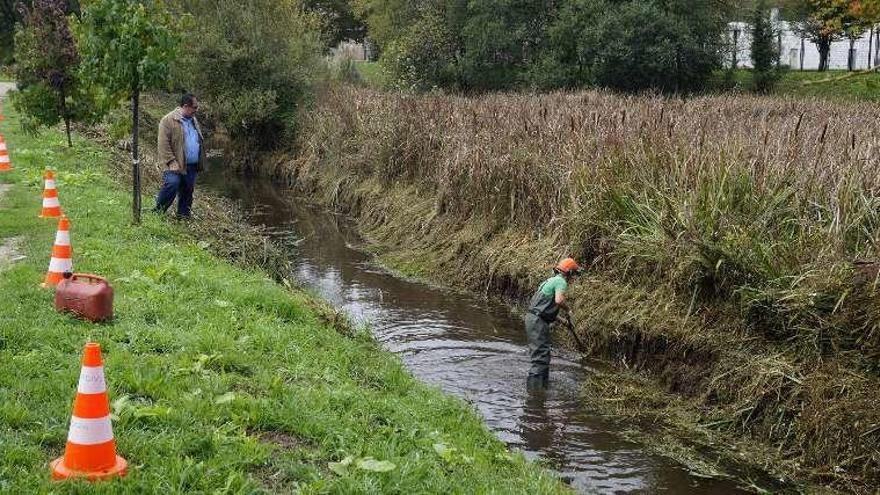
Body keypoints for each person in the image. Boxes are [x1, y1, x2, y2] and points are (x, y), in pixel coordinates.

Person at [525, 257, 581, 390]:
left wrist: (564, 322)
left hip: (534, 319)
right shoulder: (561, 281)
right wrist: (569, 310)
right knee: (540, 358)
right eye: (574, 275)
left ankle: (542, 388)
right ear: (570, 273)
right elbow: (559, 300)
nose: (573, 279)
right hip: (538, 322)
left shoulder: (549, 281)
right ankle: (535, 394)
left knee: (543, 355)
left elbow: (543, 309)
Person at [154, 93, 206, 219]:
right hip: (174, 163)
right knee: (172, 184)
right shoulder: (168, 120)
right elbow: (163, 143)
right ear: (186, 106)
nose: (196, 110)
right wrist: (171, 161)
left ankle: (183, 217)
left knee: (188, 190)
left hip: (191, 165)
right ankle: (158, 212)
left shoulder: (193, 120)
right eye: (195, 107)